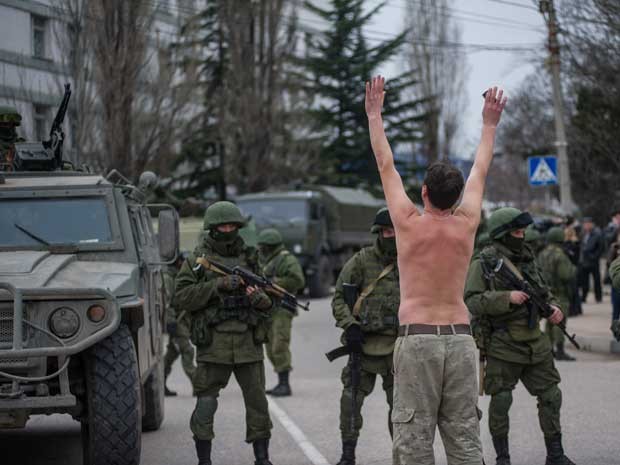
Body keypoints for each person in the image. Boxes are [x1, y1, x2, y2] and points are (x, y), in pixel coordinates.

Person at [365, 77, 507, 465]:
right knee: (464, 440)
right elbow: (480, 168)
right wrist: (489, 124)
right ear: (456, 196)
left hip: (419, 341)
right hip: (462, 341)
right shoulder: (467, 223)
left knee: (413, 442)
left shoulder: (408, 222)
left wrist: (374, 115)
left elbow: (385, 164)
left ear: (424, 192)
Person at [465, 207, 575, 465]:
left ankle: (555, 454)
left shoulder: (528, 258)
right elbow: (471, 300)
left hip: (535, 342)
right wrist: (506, 298)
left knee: (551, 395)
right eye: (516, 231)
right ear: (502, 234)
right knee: (501, 401)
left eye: (523, 230)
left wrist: (555, 308)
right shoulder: (483, 264)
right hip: (503, 344)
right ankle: (503, 458)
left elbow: (544, 291)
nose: (522, 235)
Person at [175, 201, 275, 465]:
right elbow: (181, 297)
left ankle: (262, 458)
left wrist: (261, 301)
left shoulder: (251, 258)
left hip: (248, 343)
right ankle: (204, 460)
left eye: (232, 225)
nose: (228, 229)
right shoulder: (197, 260)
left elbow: (268, 300)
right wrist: (217, 285)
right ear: (212, 228)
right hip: (213, 344)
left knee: (258, 404)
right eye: (223, 225)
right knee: (206, 402)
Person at [332, 207, 399, 465]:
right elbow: (339, 297)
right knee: (350, 401)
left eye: (394, 231)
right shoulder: (361, 261)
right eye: (385, 231)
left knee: (402, 409)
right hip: (364, 346)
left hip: (399, 348)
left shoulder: (413, 260)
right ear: (378, 232)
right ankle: (348, 455)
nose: (390, 235)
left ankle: (401, 456)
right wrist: (350, 325)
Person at [257, 228, 305, 397]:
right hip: (268, 307)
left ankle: (285, 384)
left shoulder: (286, 259)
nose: (261, 249)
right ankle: (280, 381)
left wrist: (274, 283)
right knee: (270, 347)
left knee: (279, 344)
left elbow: (297, 280)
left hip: (282, 308)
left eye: (264, 246)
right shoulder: (265, 260)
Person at [539, 227, 577, 361]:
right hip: (560, 293)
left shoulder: (543, 253)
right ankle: (560, 350)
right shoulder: (560, 255)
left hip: (547, 293)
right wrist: (573, 268)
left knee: (549, 322)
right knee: (560, 322)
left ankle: (549, 350)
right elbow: (566, 275)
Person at [163, 251, 197, 396]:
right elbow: (166, 302)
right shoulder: (169, 278)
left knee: (172, 353)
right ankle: (199, 386)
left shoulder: (183, 276)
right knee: (187, 351)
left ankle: (159, 383)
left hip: (183, 319)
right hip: (176, 321)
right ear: (178, 262)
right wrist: (170, 322)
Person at [579, 217, 604, 303]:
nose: (586, 225)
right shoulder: (583, 234)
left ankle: (598, 297)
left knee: (596, 280)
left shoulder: (597, 234)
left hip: (593, 261)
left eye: (587, 224)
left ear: (591, 224)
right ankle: (584, 297)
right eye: (585, 224)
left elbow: (600, 248)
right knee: (584, 281)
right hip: (584, 261)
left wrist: (594, 256)